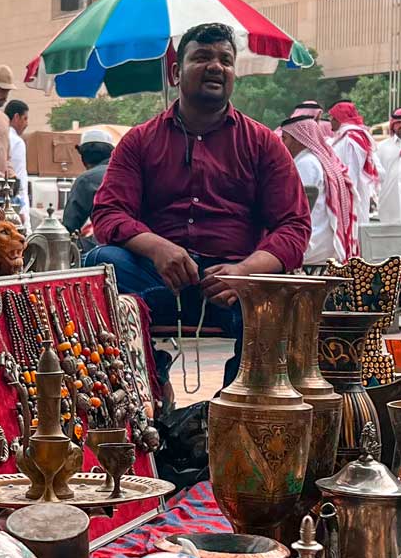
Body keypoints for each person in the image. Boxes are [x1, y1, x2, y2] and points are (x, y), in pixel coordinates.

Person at [88, 23, 308, 390]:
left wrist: (246, 272)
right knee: (100, 264)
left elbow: (294, 227)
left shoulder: (263, 145)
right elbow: (108, 213)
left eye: (226, 60)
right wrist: (158, 248)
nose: (216, 67)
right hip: (157, 278)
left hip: (233, 281)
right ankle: (142, 388)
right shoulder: (140, 141)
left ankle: (234, 409)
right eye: (202, 57)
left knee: (281, 298)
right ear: (176, 73)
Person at [282, 103, 357, 265]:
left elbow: (297, 211)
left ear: (299, 140)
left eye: (285, 139)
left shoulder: (306, 163)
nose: (282, 144)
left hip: (312, 244)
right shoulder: (318, 160)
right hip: (327, 242)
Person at [328, 102, 379, 227]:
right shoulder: (342, 138)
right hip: (340, 194)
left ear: (341, 119)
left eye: (333, 118)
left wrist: (348, 195)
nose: (331, 122)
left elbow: (353, 171)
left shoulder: (353, 138)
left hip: (352, 196)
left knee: (355, 232)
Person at [62, 126, 116, 235]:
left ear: (83, 159)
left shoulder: (86, 180)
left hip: (110, 244)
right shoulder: (131, 172)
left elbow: (70, 225)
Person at [5, 100, 32, 215]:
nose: (27, 124)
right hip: (16, 204)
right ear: (16, 117)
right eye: (25, 118)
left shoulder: (0, 136)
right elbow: (18, 177)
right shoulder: (17, 142)